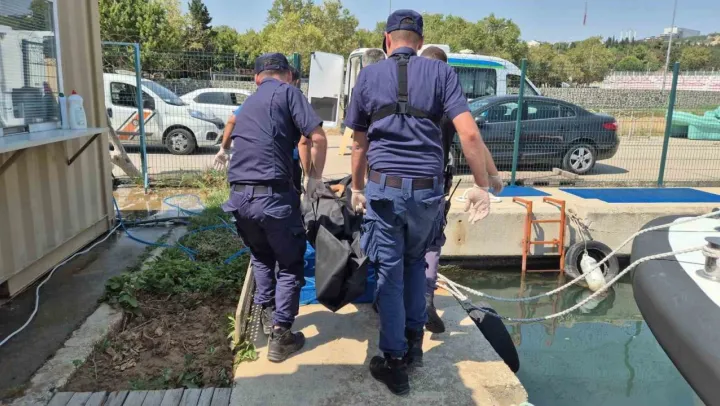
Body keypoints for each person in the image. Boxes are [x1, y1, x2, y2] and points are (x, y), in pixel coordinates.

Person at [345, 10, 492, 396]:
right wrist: (482, 185)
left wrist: (356, 188)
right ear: (421, 41)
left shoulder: (369, 76)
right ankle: (414, 344)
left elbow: (359, 143)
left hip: (385, 192)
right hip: (428, 193)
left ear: (386, 39)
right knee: (414, 265)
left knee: (390, 275)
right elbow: (469, 135)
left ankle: (395, 363)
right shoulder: (442, 73)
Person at [221, 53, 327, 363]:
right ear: (288, 75)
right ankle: (281, 335)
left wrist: (222, 149)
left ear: (257, 78)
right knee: (290, 263)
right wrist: (314, 179)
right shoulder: (289, 93)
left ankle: (268, 314)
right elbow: (317, 138)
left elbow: (232, 130)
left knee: (261, 255)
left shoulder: (247, 103)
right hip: (273, 199)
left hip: (239, 198)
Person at [419, 46, 505, 334]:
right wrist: (490, 176)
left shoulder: (404, 93)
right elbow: (473, 138)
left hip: (395, 183)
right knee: (431, 244)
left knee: (397, 244)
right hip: (433, 185)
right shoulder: (446, 100)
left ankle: (390, 301)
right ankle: (425, 299)